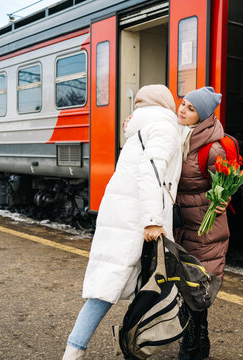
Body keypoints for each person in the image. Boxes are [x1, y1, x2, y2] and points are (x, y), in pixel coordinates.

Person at [62, 84, 183, 360]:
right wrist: (153, 220)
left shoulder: (140, 128)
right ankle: (84, 350)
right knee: (135, 286)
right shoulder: (163, 128)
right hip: (138, 222)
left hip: (123, 216)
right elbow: (151, 171)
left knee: (112, 287)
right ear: (166, 104)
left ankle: (78, 349)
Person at [174, 86, 229, 360]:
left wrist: (223, 200)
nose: (182, 109)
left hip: (204, 228)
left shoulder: (212, 147)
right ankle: (199, 341)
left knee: (196, 287)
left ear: (203, 116)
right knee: (183, 284)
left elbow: (224, 185)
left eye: (190, 108)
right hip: (180, 224)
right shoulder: (176, 133)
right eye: (183, 104)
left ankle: (192, 344)